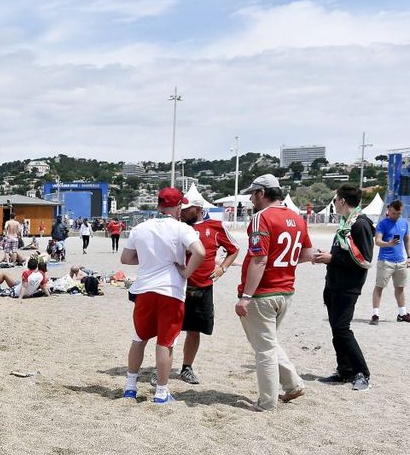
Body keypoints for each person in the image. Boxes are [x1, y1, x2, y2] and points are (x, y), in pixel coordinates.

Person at [234, 174, 314, 411]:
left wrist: (246, 296)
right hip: (285, 290)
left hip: (263, 293)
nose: (250, 199)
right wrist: (283, 263)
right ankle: (292, 385)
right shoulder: (296, 218)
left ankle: (267, 402)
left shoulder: (261, 218)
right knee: (268, 342)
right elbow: (308, 254)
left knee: (264, 349)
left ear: (261, 193)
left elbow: (259, 259)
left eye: (252, 194)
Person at [120, 187, 205, 405]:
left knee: (139, 339)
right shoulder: (182, 229)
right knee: (165, 343)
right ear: (178, 206)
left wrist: (149, 259)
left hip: (144, 289)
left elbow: (126, 259)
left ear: (158, 205)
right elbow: (201, 252)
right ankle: (161, 392)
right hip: (171, 290)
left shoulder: (140, 228)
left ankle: (130, 387)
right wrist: (186, 271)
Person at [312, 184, 375, 390]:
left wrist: (332, 258)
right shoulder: (345, 224)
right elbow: (344, 253)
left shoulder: (359, 224)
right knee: (337, 329)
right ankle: (345, 370)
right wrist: (328, 257)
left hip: (348, 286)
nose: (334, 203)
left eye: (335, 199)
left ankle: (362, 373)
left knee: (342, 328)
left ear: (342, 201)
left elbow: (364, 259)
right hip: (334, 283)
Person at [175, 198, 240, 385]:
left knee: (194, 330)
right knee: (169, 328)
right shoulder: (177, 227)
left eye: (186, 210)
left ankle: (187, 367)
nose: (182, 213)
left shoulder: (215, 226)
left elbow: (234, 249)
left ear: (197, 209)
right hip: (177, 285)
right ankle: (161, 366)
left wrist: (223, 268)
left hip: (202, 287)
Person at [369, 200, 409, 324]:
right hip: (385, 261)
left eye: (398, 213)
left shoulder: (404, 223)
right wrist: (389, 244)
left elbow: (407, 241)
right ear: (388, 210)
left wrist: (409, 257)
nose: (395, 215)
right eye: (392, 213)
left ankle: (402, 313)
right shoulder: (382, 224)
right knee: (379, 287)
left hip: (401, 261)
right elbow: (378, 241)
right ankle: (375, 314)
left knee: (400, 287)